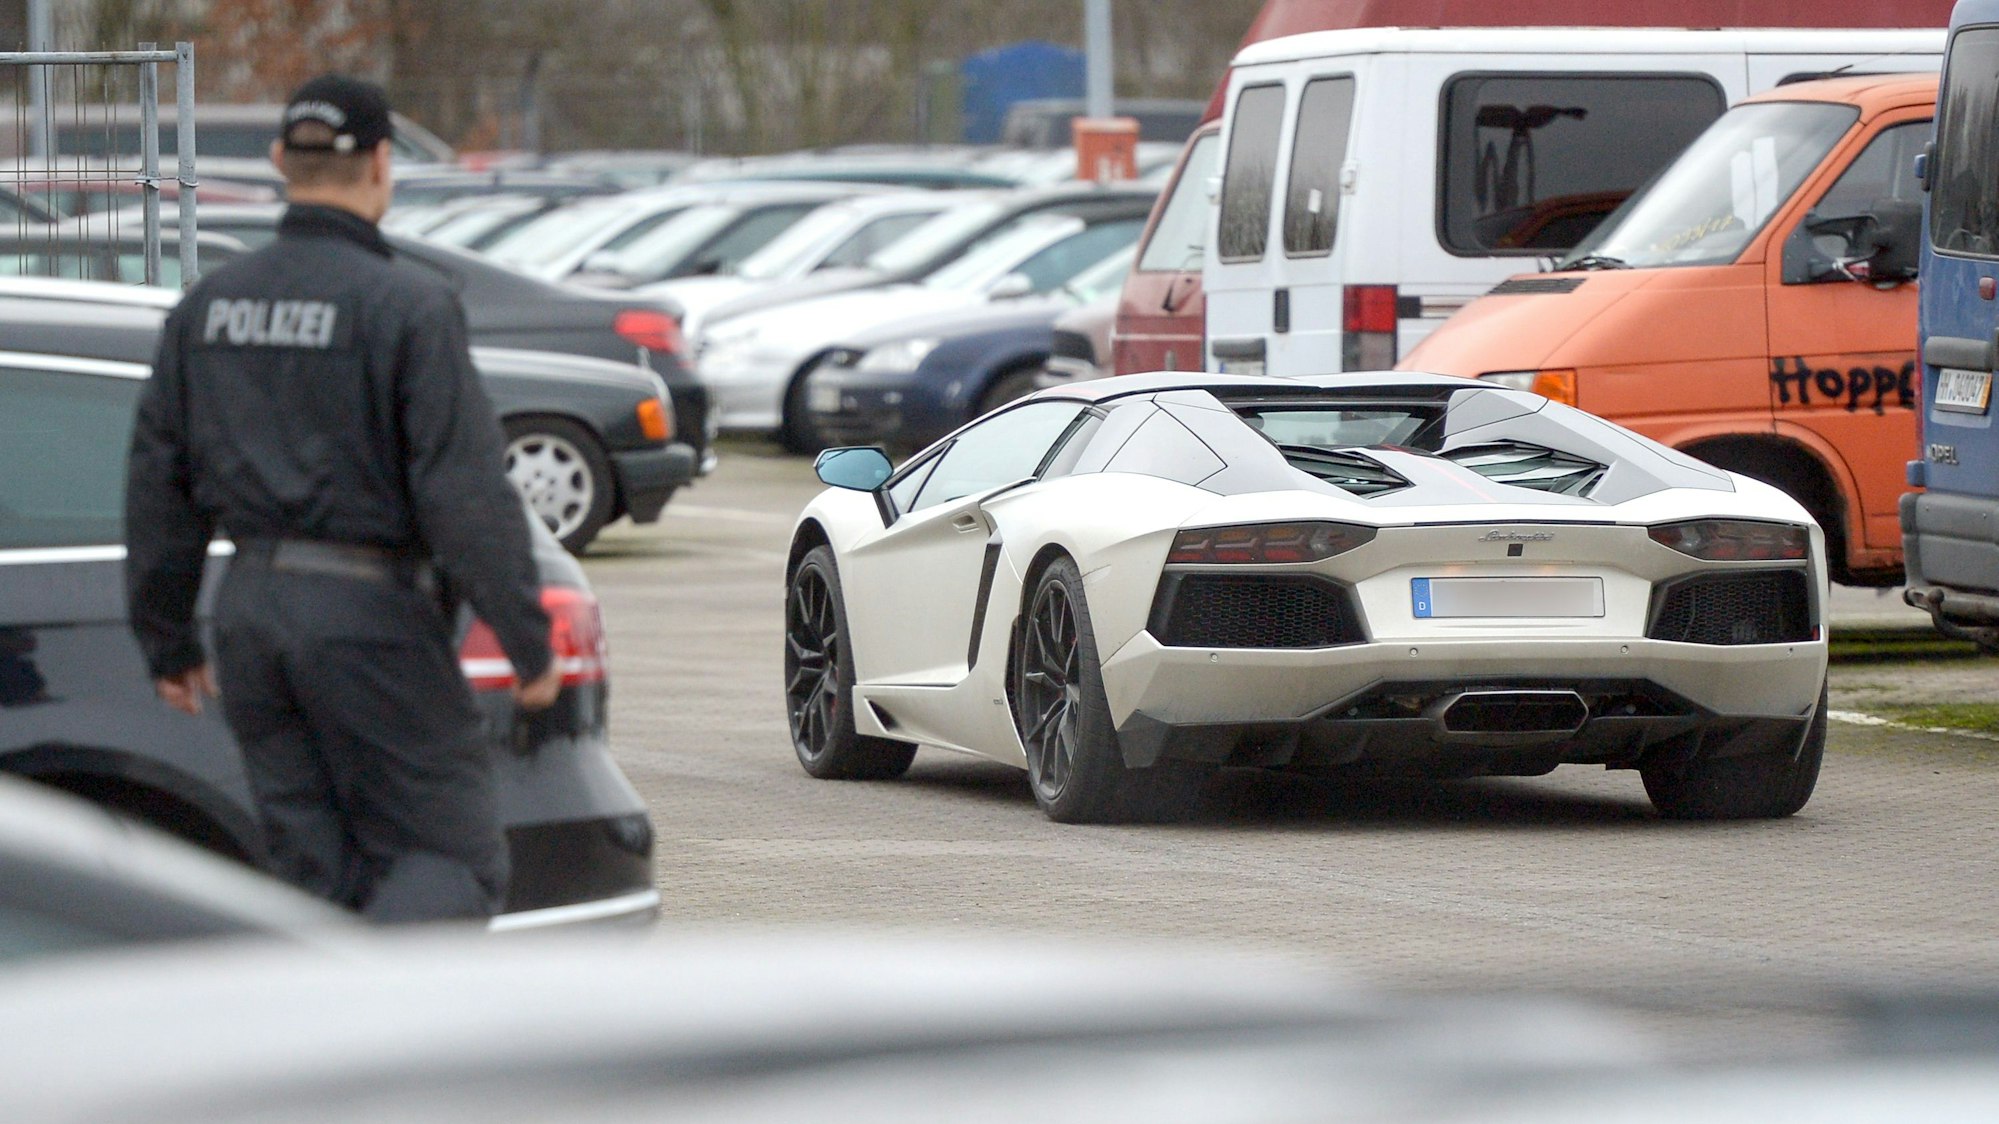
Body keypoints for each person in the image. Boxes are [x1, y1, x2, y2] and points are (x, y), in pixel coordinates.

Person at [124, 74, 562, 923]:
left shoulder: (208, 306)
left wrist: (166, 636)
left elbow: (160, 480)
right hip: (372, 625)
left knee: (309, 875)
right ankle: (392, 1048)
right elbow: (462, 488)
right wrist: (525, 638)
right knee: (442, 860)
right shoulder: (408, 306)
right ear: (382, 164)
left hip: (251, 618)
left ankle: (311, 1037)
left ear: (282, 159)